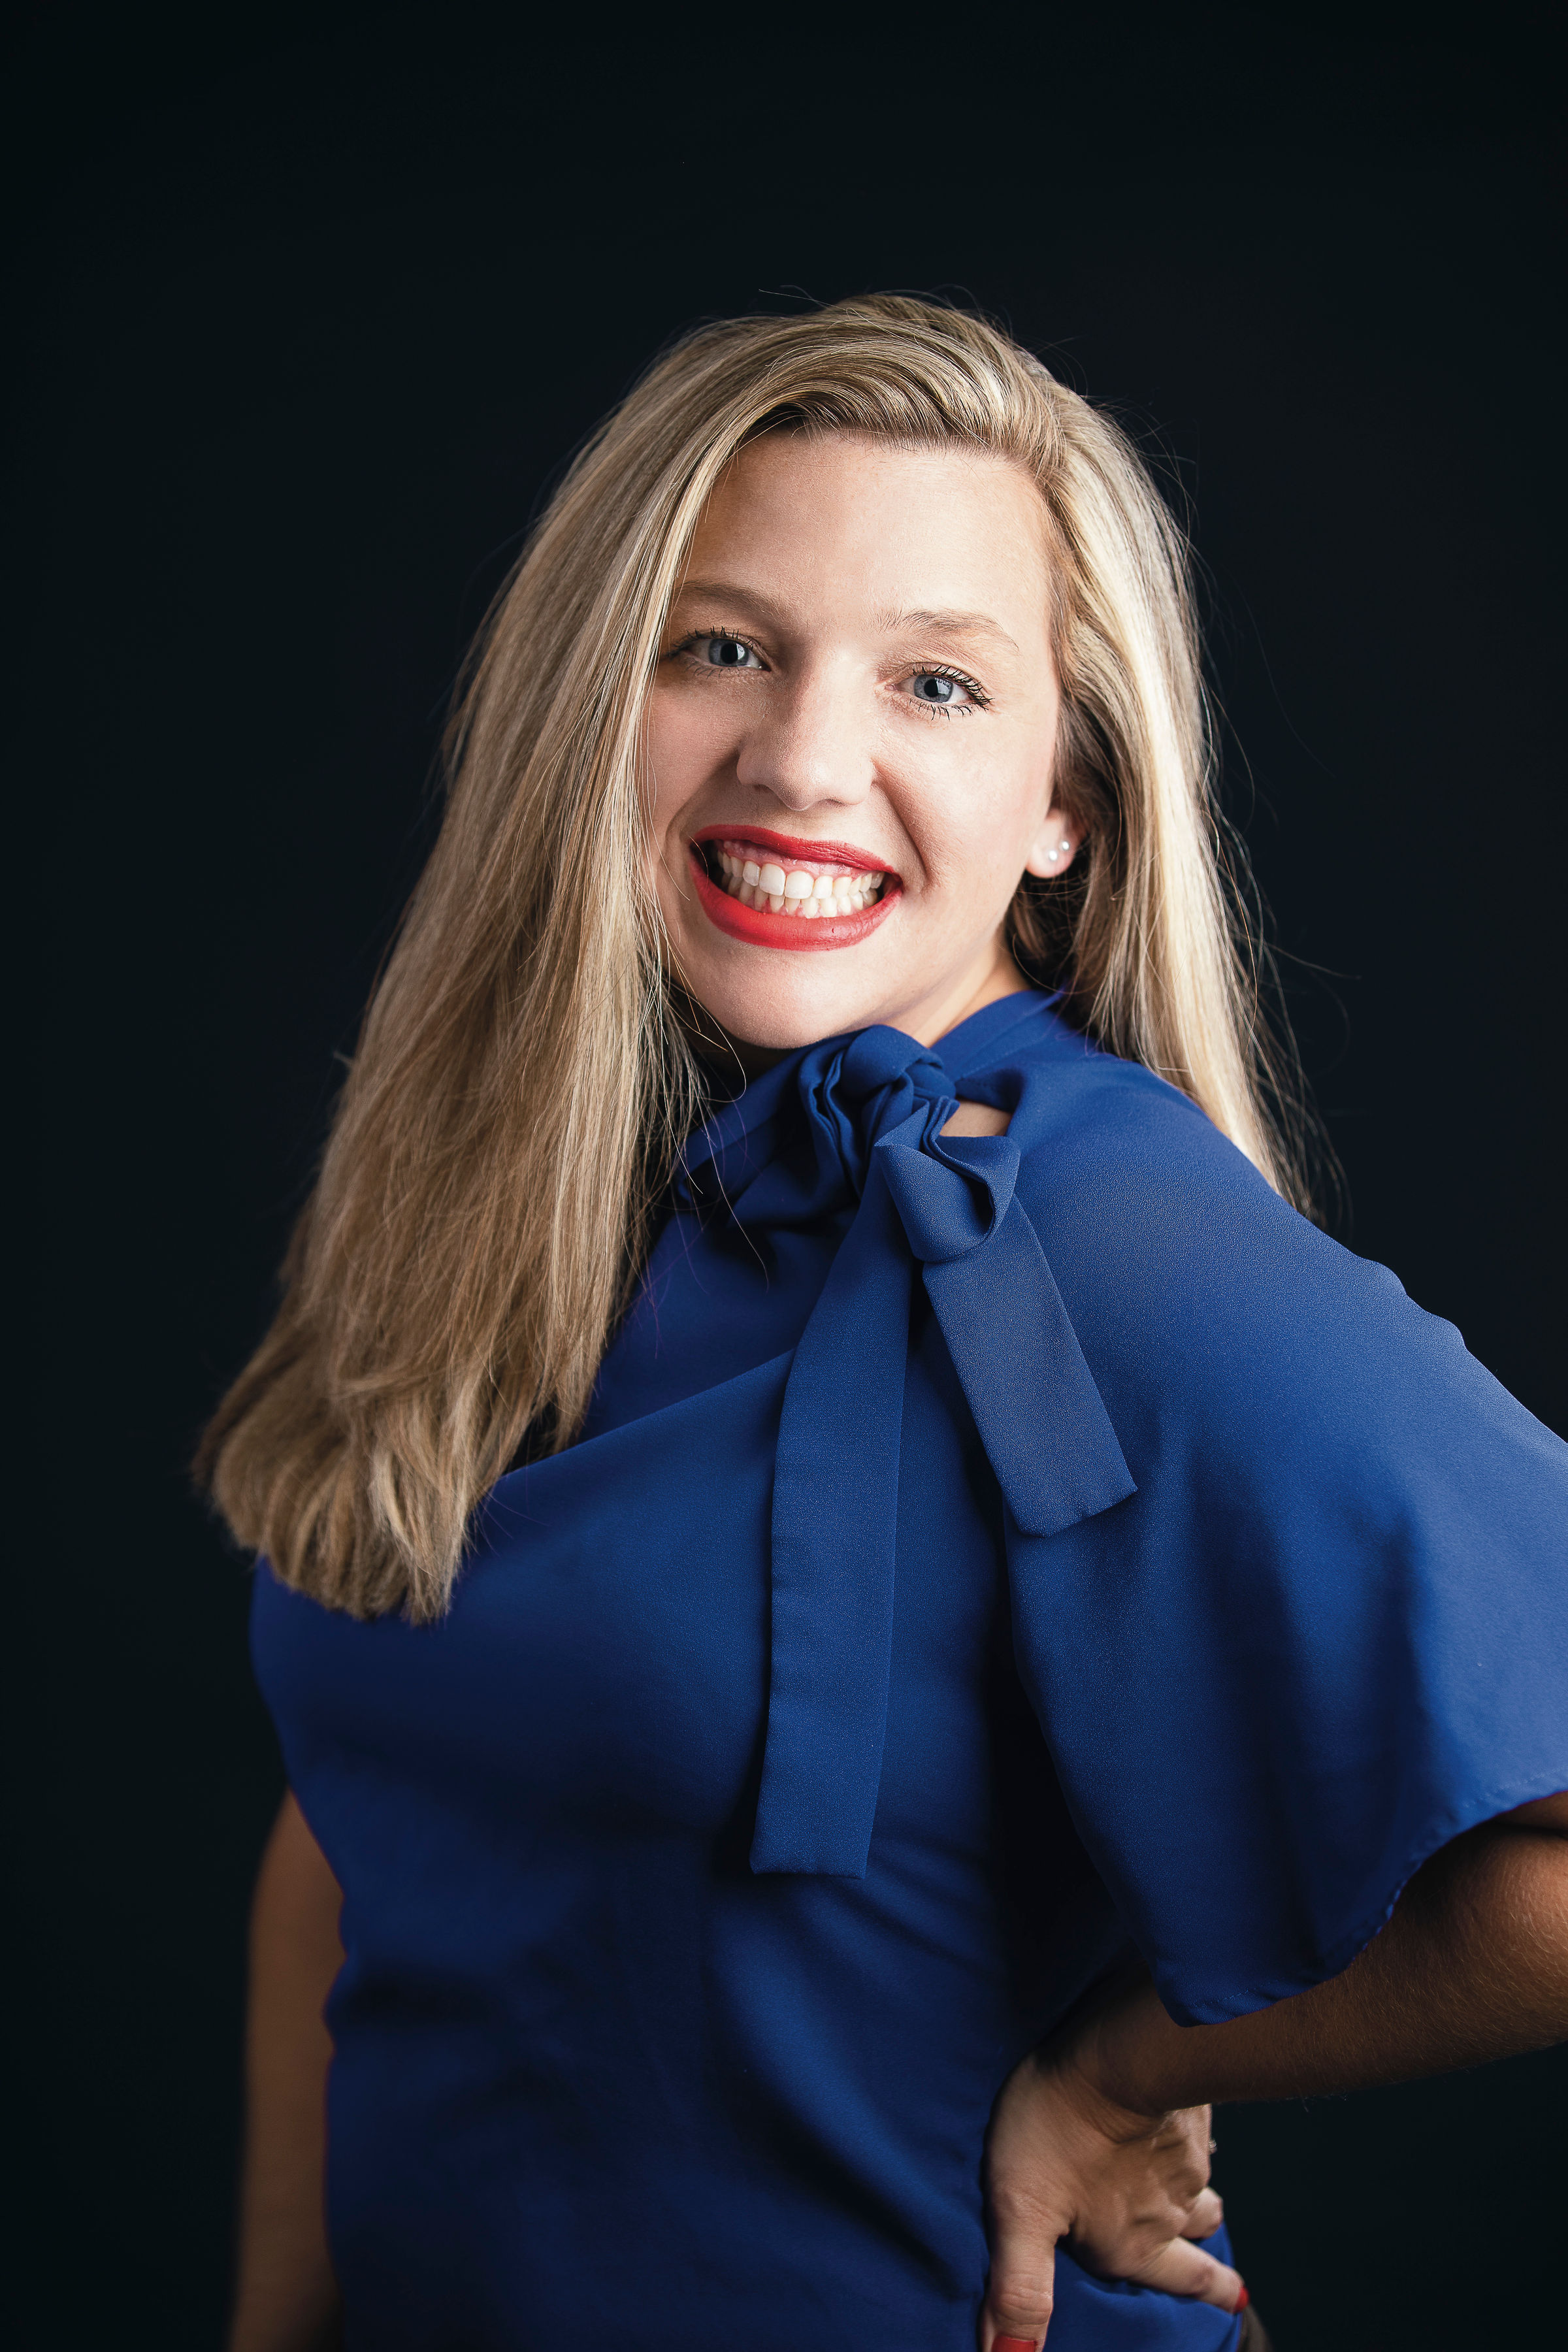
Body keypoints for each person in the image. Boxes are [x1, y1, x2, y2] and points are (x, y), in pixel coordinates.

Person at [201, 297, 1568, 2352]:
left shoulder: (1096, 1230)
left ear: (1065, 808)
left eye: (935, 682)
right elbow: (361, 1810)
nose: (804, 757)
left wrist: (1118, 2073)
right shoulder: (536, 1170)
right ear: (603, 699)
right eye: (724, 645)